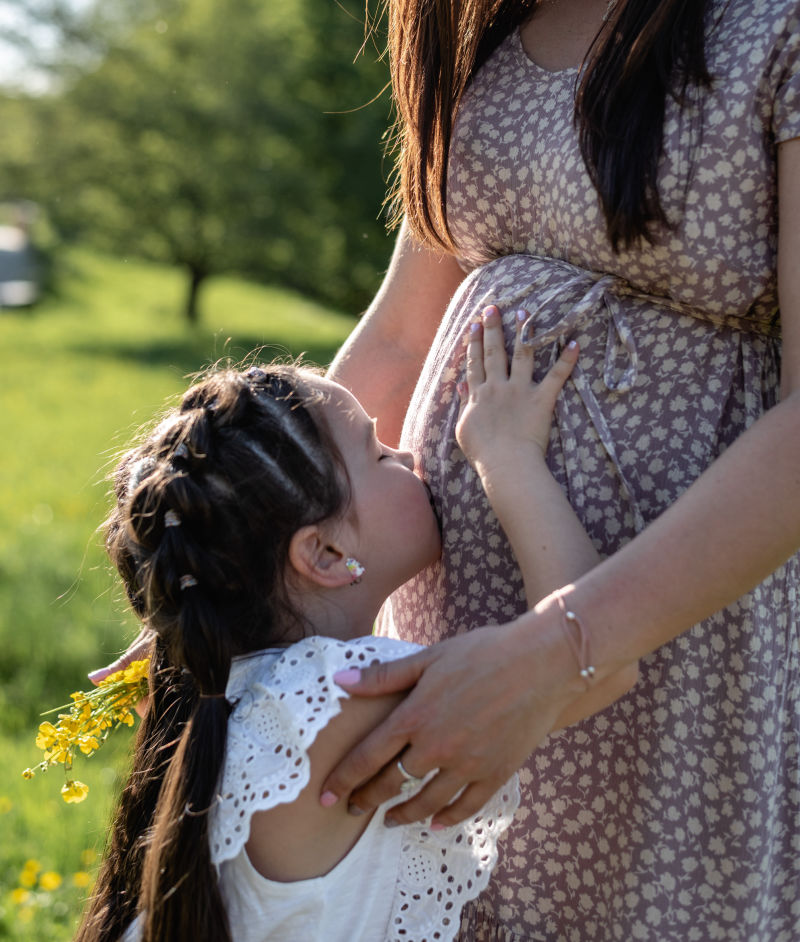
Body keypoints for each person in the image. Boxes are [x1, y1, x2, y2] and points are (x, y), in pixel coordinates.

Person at [318, 0, 800, 939]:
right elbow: (399, 328)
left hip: (666, 669)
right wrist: (236, 566)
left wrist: (557, 654)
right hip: (448, 659)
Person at [75, 321, 630, 942]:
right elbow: (591, 669)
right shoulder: (334, 701)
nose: (409, 455)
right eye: (377, 453)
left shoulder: (235, 694)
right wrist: (509, 455)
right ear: (327, 555)